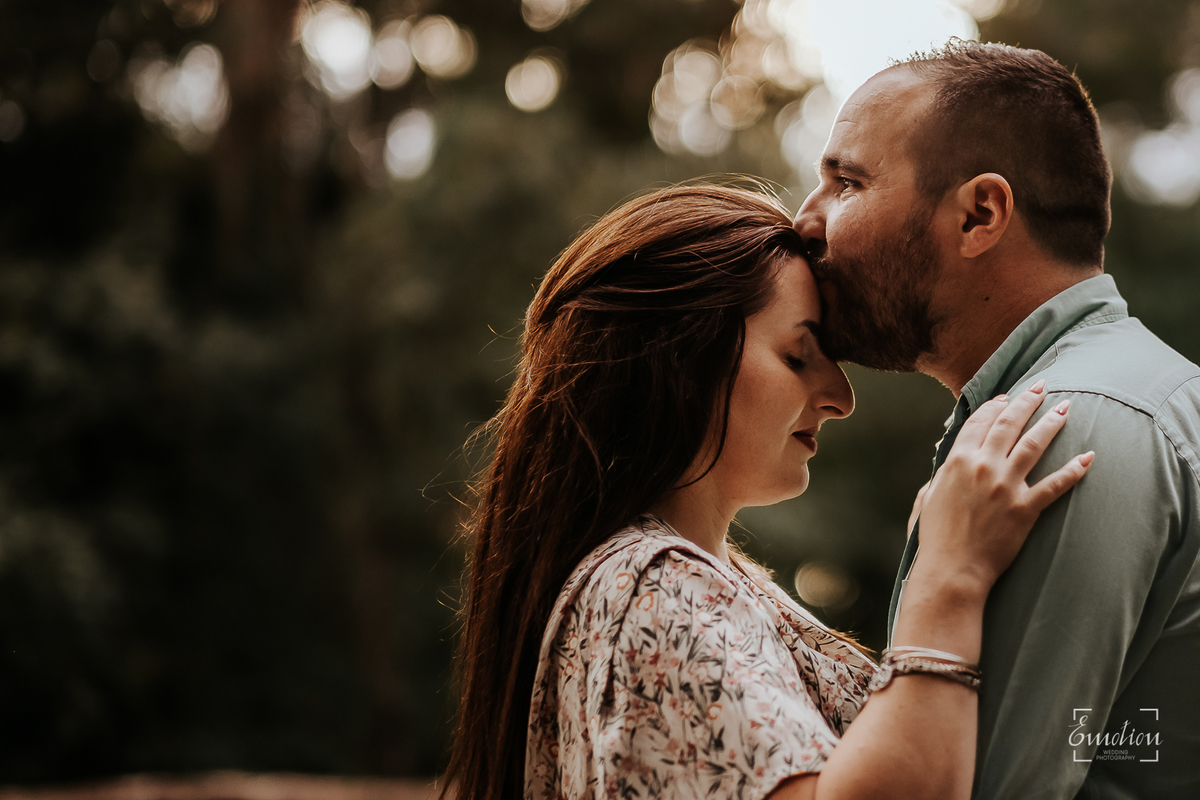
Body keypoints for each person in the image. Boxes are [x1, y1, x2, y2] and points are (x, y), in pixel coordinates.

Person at [443, 183, 1092, 800]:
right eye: (797, 355)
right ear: (680, 356)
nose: (840, 398)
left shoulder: (691, 582)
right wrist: (951, 578)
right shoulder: (654, 590)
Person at [793, 40, 1200, 799]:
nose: (805, 221)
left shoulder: (1058, 431)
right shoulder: (1139, 393)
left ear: (980, 214)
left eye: (846, 183)